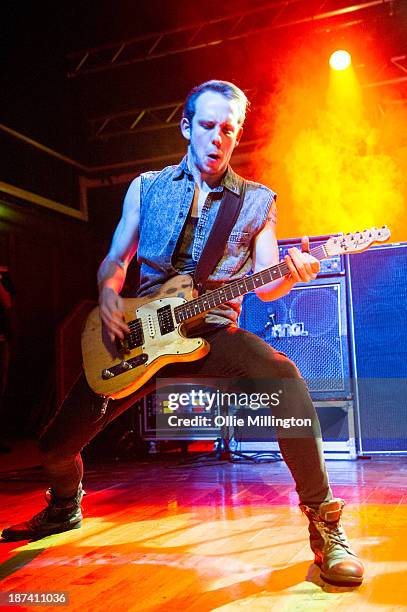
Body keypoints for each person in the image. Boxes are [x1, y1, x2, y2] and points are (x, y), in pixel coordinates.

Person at [1, 80, 363, 586]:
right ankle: (64, 506)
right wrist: (109, 294)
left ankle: (325, 526)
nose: (219, 138)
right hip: (139, 335)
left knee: (284, 378)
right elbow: (115, 257)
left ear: (238, 136)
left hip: (211, 334)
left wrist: (293, 272)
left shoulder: (256, 201)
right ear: (187, 127)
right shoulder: (146, 187)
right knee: (55, 447)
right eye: (209, 126)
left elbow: (267, 285)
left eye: (229, 130)